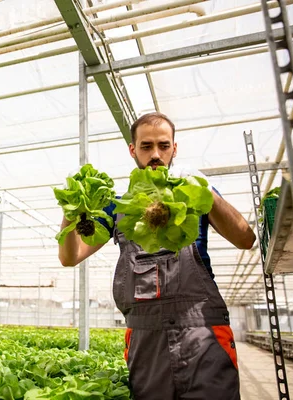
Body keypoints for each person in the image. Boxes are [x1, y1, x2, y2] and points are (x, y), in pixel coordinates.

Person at [58, 112, 255, 400]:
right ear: (133, 150)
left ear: (175, 148)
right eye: (146, 146)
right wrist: (70, 213)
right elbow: (70, 257)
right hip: (145, 337)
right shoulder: (118, 205)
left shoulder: (192, 190)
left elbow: (245, 238)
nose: (155, 154)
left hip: (203, 331)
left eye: (163, 146)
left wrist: (206, 192)